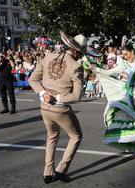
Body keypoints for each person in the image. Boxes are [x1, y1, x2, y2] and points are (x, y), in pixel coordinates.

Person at [29, 31, 99, 184]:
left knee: (52, 137)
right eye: (81, 53)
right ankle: (61, 170)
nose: (81, 56)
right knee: (76, 136)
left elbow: (32, 80)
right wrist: (57, 97)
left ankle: (47, 173)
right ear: (77, 51)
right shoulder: (76, 66)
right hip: (60, 108)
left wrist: (42, 93)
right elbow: (77, 96)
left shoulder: (48, 57)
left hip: (44, 107)